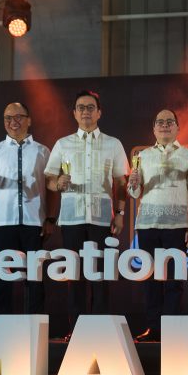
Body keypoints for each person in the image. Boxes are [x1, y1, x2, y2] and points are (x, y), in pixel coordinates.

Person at [44, 90, 128, 338]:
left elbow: (121, 182)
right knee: (75, 276)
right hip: (72, 218)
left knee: (101, 275)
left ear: (99, 112)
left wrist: (120, 212)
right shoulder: (63, 143)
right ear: (74, 113)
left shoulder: (113, 144)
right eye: (81, 107)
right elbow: (49, 179)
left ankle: (100, 332)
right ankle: (77, 330)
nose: (85, 112)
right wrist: (58, 183)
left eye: (91, 107)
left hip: (102, 219)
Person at [128, 109, 188, 342]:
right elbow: (135, 193)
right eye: (159, 122)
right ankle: (153, 328)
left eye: (169, 122)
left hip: (177, 225)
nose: (164, 125)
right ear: (153, 129)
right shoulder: (142, 156)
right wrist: (133, 184)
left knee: (174, 280)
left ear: (177, 128)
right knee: (150, 279)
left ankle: (171, 329)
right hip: (147, 225)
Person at [0, 102, 55, 314]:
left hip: (33, 222)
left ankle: (34, 321)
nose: (13, 122)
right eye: (8, 118)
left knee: (34, 278)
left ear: (29, 120)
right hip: (4, 222)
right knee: (3, 277)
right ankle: (2, 321)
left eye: (18, 117)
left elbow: (52, 188)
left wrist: (50, 218)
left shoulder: (43, 151)